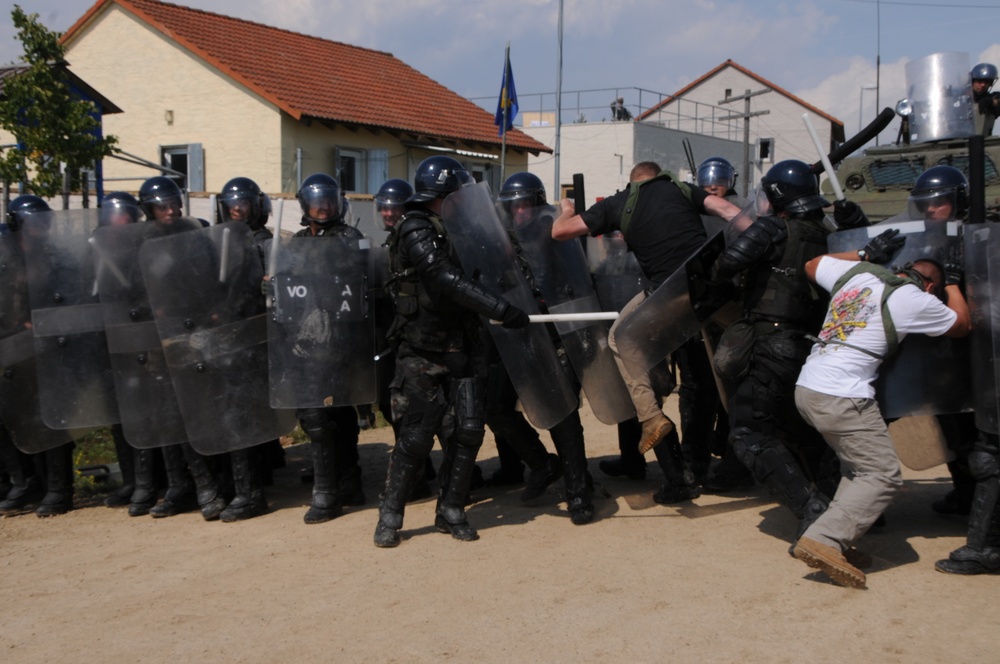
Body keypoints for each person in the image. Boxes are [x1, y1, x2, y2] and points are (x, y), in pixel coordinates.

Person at [552, 161, 741, 503]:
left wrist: (566, 209)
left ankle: (652, 418)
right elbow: (729, 211)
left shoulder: (620, 202)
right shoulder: (682, 189)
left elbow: (560, 233)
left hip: (668, 294)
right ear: (659, 176)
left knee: (620, 339)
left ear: (633, 182)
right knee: (748, 344)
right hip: (712, 287)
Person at [374, 155, 530, 548]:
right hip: (423, 348)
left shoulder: (463, 227)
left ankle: (452, 509)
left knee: (469, 431)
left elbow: (497, 263)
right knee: (416, 436)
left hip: (466, 344)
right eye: (458, 193)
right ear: (444, 193)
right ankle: (390, 514)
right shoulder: (416, 227)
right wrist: (500, 309)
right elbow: (443, 278)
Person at [792, 250, 970, 588]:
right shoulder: (916, 299)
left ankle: (838, 541)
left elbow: (811, 263)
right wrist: (957, 287)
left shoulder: (860, 273)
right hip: (843, 394)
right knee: (883, 474)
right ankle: (825, 539)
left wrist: (862, 254)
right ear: (930, 286)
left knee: (858, 469)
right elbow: (961, 326)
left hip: (809, 386)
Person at [709, 159, 840, 537]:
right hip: (812, 345)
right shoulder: (825, 230)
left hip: (772, 343)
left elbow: (727, 262)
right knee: (800, 430)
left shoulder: (775, 228)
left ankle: (811, 508)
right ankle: (842, 503)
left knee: (748, 433)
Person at [491, 171, 593, 524]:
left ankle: (579, 491)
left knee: (564, 413)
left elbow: (576, 277)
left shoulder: (556, 232)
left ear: (535, 205)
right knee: (497, 407)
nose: (518, 212)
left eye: (523, 205)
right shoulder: (499, 240)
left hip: (556, 331)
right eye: (512, 207)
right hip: (517, 333)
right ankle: (542, 464)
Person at [136, 176, 227, 521]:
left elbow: (208, 280)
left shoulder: (195, 237)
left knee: (196, 410)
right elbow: (126, 289)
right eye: (163, 205)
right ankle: (178, 486)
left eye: (174, 203)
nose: (171, 210)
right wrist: (146, 307)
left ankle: (208, 485)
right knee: (165, 414)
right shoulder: (138, 243)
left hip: (191, 332)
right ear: (148, 209)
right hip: (156, 337)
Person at [288, 173, 367, 523]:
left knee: (337, 415)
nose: (324, 208)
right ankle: (334, 487)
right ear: (306, 205)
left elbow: (357, 274)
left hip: (339, 339)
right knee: (315, 416)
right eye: (317, 202)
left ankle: (338, 488)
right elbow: (289, 284)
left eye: (329, 201)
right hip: (305, 341)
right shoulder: (297, 241)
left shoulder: (351, 238)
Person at [971, 62, 999, 136]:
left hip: (981, 139)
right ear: (972, 81)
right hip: (955, 138)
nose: (983, 85)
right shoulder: (960, 97)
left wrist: (992, 101)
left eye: (986, 82)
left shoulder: (989, 98)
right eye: (979, 81)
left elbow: (998, 99)